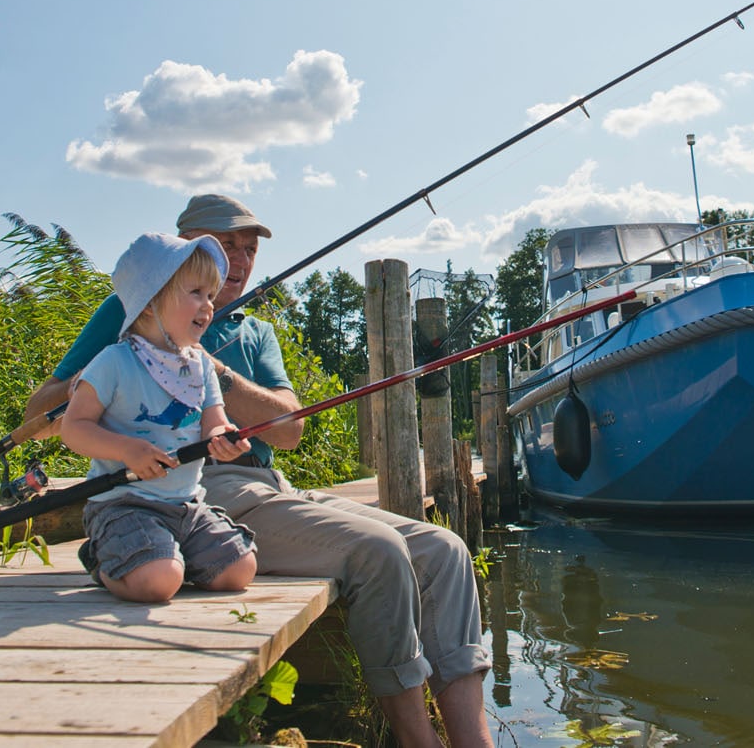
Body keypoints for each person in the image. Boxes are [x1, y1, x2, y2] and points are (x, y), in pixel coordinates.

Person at [27, 194, 493, 748]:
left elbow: (289, 431)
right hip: (201, 489)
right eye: (227, 246)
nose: (240, 261)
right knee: (379, 551)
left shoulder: (255, 333)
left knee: (446, 551)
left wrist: (211, 370)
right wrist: (136, 352)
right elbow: (39, 417)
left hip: (270, 485)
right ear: (184, 250)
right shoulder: (128, 311)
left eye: (249, 250)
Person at [60, 231, 257, 603]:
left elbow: (213, 421)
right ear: (150, 302)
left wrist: (224, 437)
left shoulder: (201, 366)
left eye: (210, 295)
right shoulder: (114, 361)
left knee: (239, 569)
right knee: (159, 583)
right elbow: (74, 428)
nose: (208, 305)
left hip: (187, 505)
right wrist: (127, 450)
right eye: (195, 292)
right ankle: (107, 558)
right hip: (123, 504)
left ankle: (159, 556)